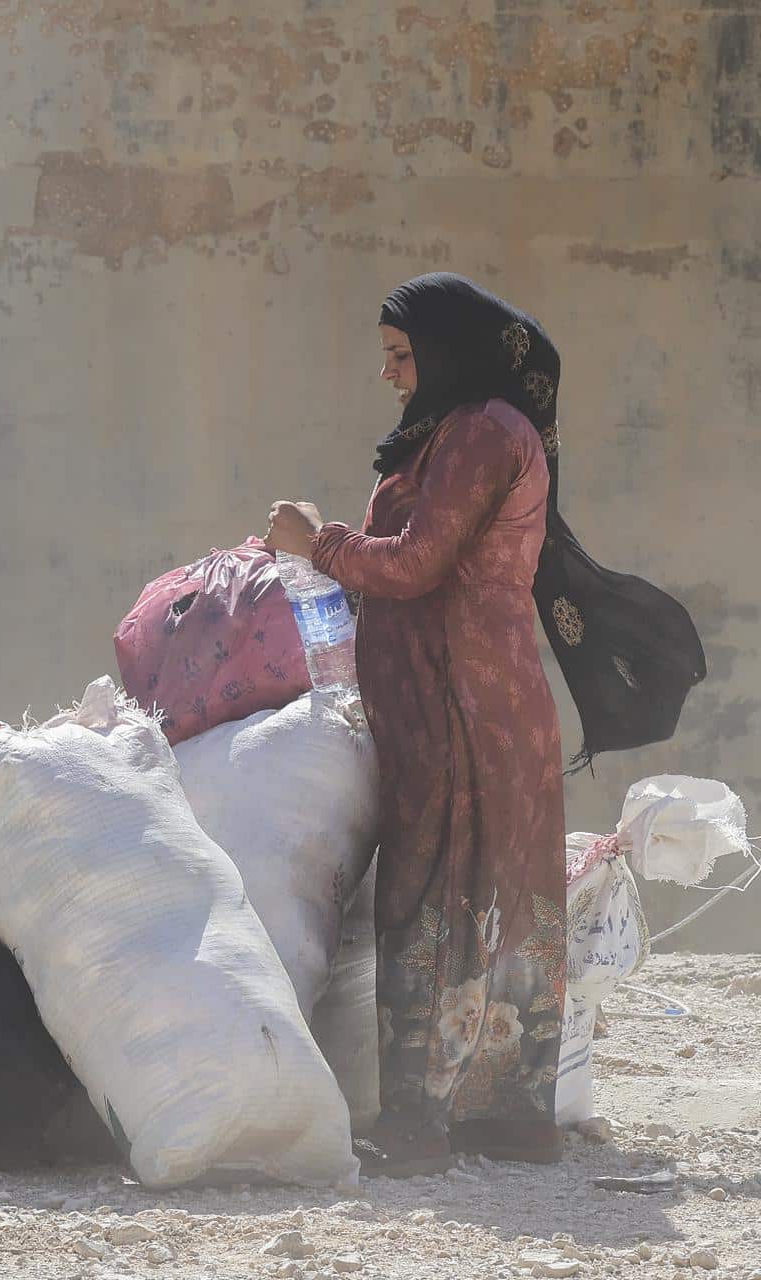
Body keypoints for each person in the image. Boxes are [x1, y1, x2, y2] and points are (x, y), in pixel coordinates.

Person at [266, 273, 580, 1174]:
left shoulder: (483, 432)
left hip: (465, 706)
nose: (390, 374)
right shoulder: (455, 429)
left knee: (443, 890)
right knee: (485, 887)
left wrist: (315, 540)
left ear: (446, 349)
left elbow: (417, 564)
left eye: (402, 355)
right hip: (459, 698)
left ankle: (422, 1124)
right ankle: (502, 1117)